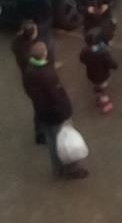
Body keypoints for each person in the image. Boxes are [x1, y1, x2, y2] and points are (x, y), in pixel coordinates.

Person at [22, 41, 89, 179]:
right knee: (66, 142)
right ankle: (71, 169)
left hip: (42, 112)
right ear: (44, 54)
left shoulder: (28, 71)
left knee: (52, 142)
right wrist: (66, 111)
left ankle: (57, 169)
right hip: (56, 114)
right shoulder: (48, 74)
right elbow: (57, 96)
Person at [11, 20, 45, 144]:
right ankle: (40, 134)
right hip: (34, 84)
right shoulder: (29, 54)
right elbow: (38, 65)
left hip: (27, 81)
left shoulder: (18, 44)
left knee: (38, 106)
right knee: (39, 107)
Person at [79, 27, 118, 114]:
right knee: (102, 88)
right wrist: (115, 66)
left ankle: (98, 97)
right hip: (103, 74)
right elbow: (110, 62)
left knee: (97, 85)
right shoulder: (103, 52)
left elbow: (82, 59)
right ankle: (105, 103)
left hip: (91, 74)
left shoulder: (85, 51)